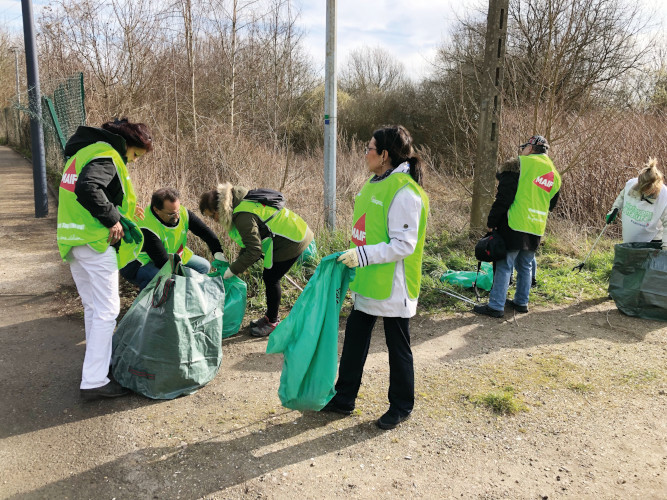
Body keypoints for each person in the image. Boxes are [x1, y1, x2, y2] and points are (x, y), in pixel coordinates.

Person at [321, 125, 429, 431]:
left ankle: (401, 406)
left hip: (393, 283)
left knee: (398, 345)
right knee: (355, 338)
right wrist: (355, 255)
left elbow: (403, 244)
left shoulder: (405, 191)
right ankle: (344, 398)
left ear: (384, 155)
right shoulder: (374, 183)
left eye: (369, 148)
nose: (365, 153)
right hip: (368, 278)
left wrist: (363, 255)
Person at [56, 118, 153, 400]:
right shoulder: (108, 155)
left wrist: (122, 212)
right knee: (108, 311)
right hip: (96, 242)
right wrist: (113, 219)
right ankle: (95, 380)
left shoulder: (83, 152)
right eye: (135, 155)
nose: (133, 161)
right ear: (126, 144)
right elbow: (88, 188)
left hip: (74, 241)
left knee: (93, 308)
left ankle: (95, 369)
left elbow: (88, 190)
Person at [199, 183, 314, 337]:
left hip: (292, 239)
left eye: (213, 215)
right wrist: (237, 265)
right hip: (292, 231)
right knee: (270, 276)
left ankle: (272, 322)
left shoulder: (242, 216)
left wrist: (232, 270)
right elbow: (250, 243)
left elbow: (254, 250)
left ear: (220, 208)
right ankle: (269, 317)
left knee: (271, 278)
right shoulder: (239, 202)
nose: (214, 220)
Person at [473, 134, 561, 318]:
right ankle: (521, 302)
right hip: (536, 226)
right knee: (526, 265)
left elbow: (504, 197)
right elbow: (551, 205)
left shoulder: (519, 165)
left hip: (514, 223)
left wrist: (492, 221)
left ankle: (496, 306)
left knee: (505, 265)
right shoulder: (554, 174)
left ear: (530, 148)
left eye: (523, 147)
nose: (521, 150)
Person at [120, 187, 227, 289]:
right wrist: (188, 279)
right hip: (138, 264)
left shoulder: (183, 213)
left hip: (171, 257)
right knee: (161, 279)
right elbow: (163, 263)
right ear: (157, 210)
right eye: (171, 214)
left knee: (203, 266)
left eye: (178, 211)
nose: (177, 216)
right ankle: (149, 305)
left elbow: (205, 233)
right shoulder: (146, 226)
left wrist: (218, 254)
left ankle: (191, 300)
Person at [606, 158, 667, 248]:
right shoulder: (632, 184)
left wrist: (665, 247)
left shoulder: (664, 195)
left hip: (652, 241)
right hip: (630, 240)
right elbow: (622, 196)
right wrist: (614, 209)